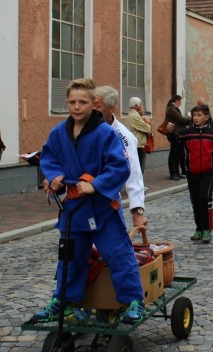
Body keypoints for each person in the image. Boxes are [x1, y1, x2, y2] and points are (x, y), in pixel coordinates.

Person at [33, 78, 144, 324]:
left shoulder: (106, 133)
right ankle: (64, 301)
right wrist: (55, 176)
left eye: (82, 102)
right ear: (66, 103)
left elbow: (119, 166)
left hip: (101, 206)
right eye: (72, 102)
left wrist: (95, 184)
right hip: (74, 208)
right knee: (69, 256)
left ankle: (134, 300)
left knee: (118, 253)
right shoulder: (59, 132)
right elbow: (49, 158)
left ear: (94, 104)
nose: (76, 107)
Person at [95, 86, 147, 231]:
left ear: (111, 109)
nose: (92, 110)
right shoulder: (81, 128)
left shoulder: (123, 136)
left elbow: (133, 173)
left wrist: (137, 210)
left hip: (107, 200)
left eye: (98, 106)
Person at [169, 104, 213, 243]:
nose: (196, 118)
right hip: (192, 172)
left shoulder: (212, 133)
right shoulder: (188, 133)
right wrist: (170, 132)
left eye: (199, 115)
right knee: (195, 201)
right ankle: (198, 229)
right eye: (194, 115)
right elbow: (175, 141)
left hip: (208, 172)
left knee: (203, 198)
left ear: (206, 117)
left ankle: (206, 229)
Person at [165, 95, 192, 180]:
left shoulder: (174, 109)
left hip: (178, 133)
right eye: (180, 101)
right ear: (176, 100)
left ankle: (177, 172)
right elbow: (181, 119)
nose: (181, 103)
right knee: (174, 153)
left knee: (179, 153)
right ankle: (172, 173)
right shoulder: (171, 109)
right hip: (174, 133)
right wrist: (190, 118)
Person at [126, 97, 152, 173]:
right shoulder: (134, 116)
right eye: (140, 104)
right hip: (138, 145)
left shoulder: (133, 114)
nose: (141, 106)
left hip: (137, 144)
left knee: (139, 166)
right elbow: (148, 129)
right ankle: (139, 181)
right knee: (140, 167)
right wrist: (147, 122)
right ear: (136, 105)